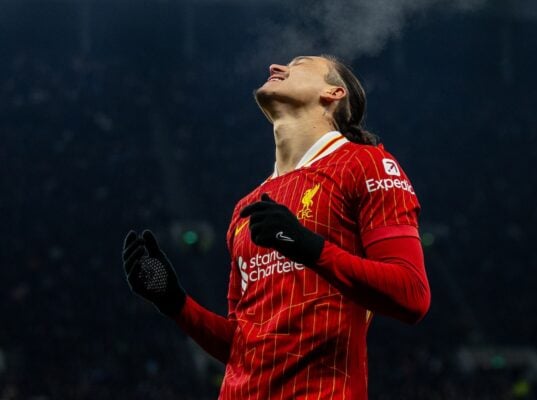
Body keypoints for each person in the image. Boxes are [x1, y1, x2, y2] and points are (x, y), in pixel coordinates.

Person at [122, 55, 431, 399]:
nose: (276, 67)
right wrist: (175, 302)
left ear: (333, 92)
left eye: (299, 64)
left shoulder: (367, 163)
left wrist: (307, 246)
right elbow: (242, 347)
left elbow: (412, 295)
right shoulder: (247, 207)